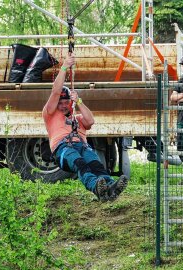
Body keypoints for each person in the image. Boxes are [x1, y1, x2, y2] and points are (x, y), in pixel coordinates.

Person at [42, 54, 128, 202]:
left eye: (66, 102)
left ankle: (109, 189)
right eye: (60, 103)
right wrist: (64, 67)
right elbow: (56, 91)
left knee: (96, 164)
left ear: (70, 103)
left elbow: (90, 121)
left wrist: (79, 101)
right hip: (63, 149)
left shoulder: (77, 119)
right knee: (80, 163)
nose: (63, 105)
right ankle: (96, 187)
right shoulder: (50, 113)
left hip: (82, 146)